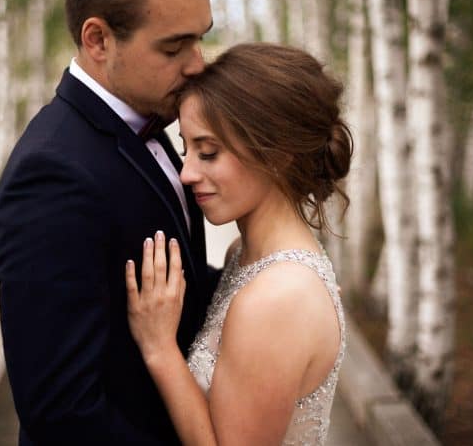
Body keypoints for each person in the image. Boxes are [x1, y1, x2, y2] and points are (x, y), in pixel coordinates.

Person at [0, 0, 220, 444]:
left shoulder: (145, 121)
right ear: (98, 39)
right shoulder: (51, 176)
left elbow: (179, 279)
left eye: (201, 38)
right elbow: (62, 412)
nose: (198, 65)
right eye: (174, 47)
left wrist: (264, 274)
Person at [124, 43, 353, 445]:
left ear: (277, 154)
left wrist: (159, 348)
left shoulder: (277, 297)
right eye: (186, 149)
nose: (187, 173)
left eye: (208, 153)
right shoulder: (244, 256)